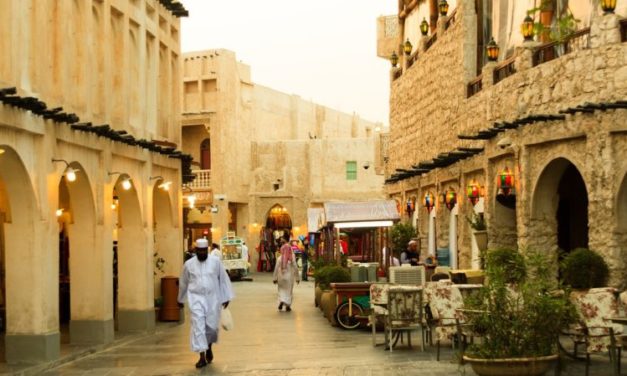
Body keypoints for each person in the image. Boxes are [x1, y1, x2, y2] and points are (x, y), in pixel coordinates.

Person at [178, 238, 234, 368]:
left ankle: (208, 347)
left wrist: (226, 296)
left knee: (211, 328)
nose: (202, 253)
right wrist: (180, 299)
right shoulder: (189, 264)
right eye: (200, 251)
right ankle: (201, 356)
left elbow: (223, 279)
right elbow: (183, 283)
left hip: (213, 299)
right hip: (196, 300)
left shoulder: (215, 262)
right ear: (196, 250)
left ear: (207, 250)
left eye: (204, 251)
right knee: (198, 326)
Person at [273, 238, 300, 311]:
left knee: (281, 290)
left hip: (281, 277)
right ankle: (288, 306)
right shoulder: (292, 257)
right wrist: (297, 278)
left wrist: (274, 278)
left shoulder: (279, 258)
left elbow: (276, 269)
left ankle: (281, 301)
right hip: (289, 278)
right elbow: (295, 267)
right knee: (289, 291)